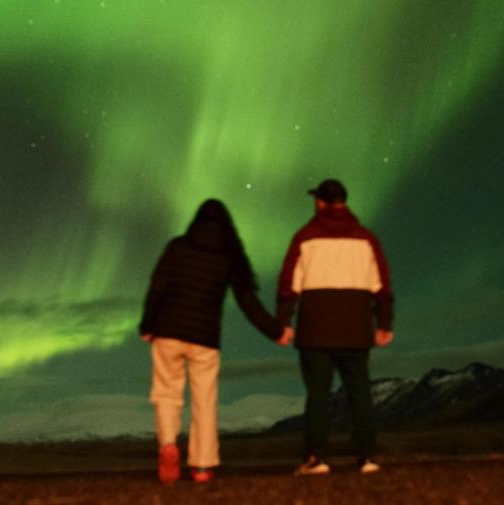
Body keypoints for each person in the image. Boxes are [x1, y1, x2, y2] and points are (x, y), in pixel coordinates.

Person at [140, 199, 292, 484]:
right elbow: (248, 301)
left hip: (168, 332)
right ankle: (202, 465)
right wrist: (275, 331)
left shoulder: (177, 247)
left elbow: (157, 287)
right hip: (205, 338)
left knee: (167, 393)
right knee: (204, 401)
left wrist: (147, 325)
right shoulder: (229, 257)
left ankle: (168, 445)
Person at [277, 179, 393, 475]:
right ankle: (367, 456)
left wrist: (284, 322)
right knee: (359, 393)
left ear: (319, 203)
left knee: (318, 395)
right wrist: (384, 323)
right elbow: (381, 285)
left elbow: (289, 285)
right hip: (356, 328)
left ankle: (317, 457)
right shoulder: (366, 239)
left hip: (315, 330)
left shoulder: (304, 238)